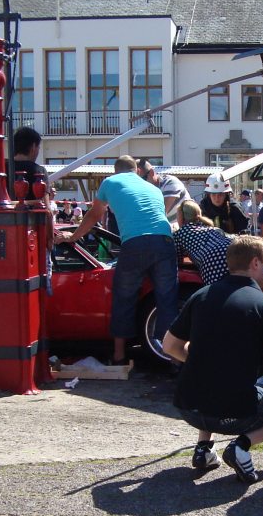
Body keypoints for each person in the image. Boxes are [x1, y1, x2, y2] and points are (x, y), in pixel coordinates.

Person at [163, 235, 263, 484]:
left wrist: (197, 361)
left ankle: (203, 449)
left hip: (188, 408)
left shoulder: (200, 295)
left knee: (212, 379)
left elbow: (169, 345)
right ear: (255, 263)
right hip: (234, 414)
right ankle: (241, 447)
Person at [55, 154, 177, 367]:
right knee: (167, 299)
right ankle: (174, 358)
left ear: (115, 171)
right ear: (137, 171)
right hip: (164, 242)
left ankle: (119, 356)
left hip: (135, 244)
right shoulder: (154, 189)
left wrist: (73, 237)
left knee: (123, 298)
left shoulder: (110, 182)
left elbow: (93, 216)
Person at [172, 200, 232, 286]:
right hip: (233, 250)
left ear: (181, 217)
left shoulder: (180, 233)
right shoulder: (210, 228)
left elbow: (177, 261)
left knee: (218, 294)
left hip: (214, 260)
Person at [137, 158, 188, 224]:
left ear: (151, 173)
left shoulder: (170, 182)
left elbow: (160, 213)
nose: (139, 183)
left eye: (142, 179)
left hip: (186, 229)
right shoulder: (144, 191)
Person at [11, 126, 46, 193]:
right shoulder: (40, 171)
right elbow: (44, 201)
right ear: (33, 147)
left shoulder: (2, 170)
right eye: (38, 147)